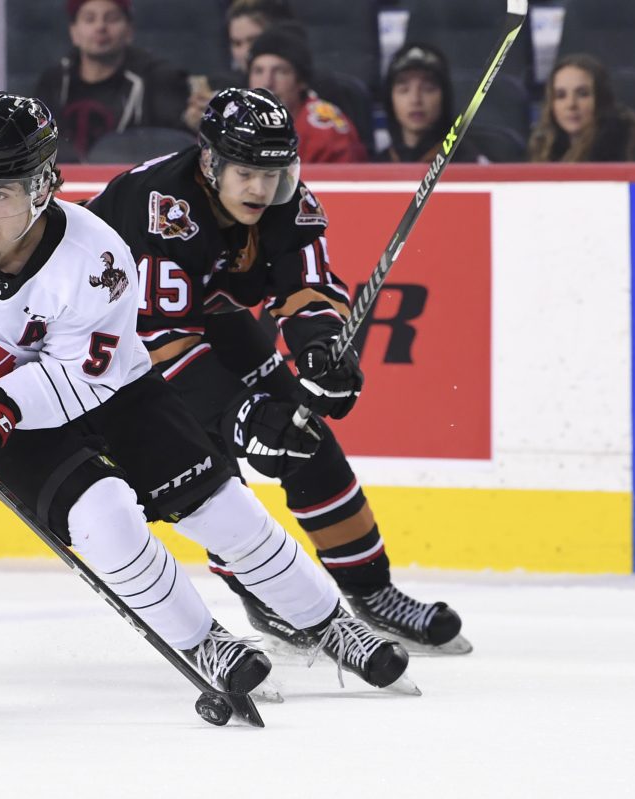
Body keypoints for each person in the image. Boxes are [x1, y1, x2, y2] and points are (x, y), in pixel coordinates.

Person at [0, 91, 416, 699]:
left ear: (43, 186)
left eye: (3, 191)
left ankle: (329, 623)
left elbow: (82, 375)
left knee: (221, 508)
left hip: (107, 387)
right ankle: (204, 641)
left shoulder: (96, 259)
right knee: (105, 515)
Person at [85, 87, 470, 655]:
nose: (261, 189)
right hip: (99, 337)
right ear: (211, 161)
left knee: (302, 434)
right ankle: (266, 597)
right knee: (211, 466)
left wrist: (322, 351)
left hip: (204, 315)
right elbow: (158, 343)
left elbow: (307, 288)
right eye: (246, 172)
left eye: (273, 172)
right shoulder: (162, 209)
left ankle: (373, 592)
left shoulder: (286, 199)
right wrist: (239, 414)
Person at [34, 0, 190, 159]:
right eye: (89, 19)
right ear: (74, 32)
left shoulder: (158, 81)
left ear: (129, 31)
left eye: (112, 19)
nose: (100, 26)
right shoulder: (54, 81)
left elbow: (173, 148)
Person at [246, 22, 367, 163]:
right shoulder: (235, 124)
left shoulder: (327, 133)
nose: (267, 83)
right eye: (258, 71)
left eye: (280, 72)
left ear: (301, 81)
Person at [183, 0, 294, 131]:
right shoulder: (222, 89)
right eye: (237, 44)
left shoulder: (294, 86)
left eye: (253, 40)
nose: (245, 52)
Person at [527, 53, 635, 163]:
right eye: (561, 96)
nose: (571, 104)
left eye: (582, 94)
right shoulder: (544, 147)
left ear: (601, 98)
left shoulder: (622, 150)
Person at [377, 42, 485, 164]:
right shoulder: (376, 166)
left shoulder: (470, 163)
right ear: (389, 99)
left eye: (428, 88)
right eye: (404, 90)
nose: (415, 100)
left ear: (445, 97)